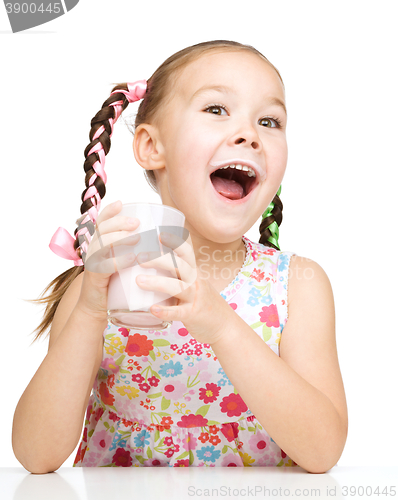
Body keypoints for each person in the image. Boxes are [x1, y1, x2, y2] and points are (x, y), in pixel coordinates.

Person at [12, 40, 348, 472]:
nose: (250, 134)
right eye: (215, 109)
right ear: (152, 147)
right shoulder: (102, 284)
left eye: (269, 121)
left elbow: (323, 452)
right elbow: (35, 456)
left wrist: (222, 325)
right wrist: (88, 312)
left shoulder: (297, 285)